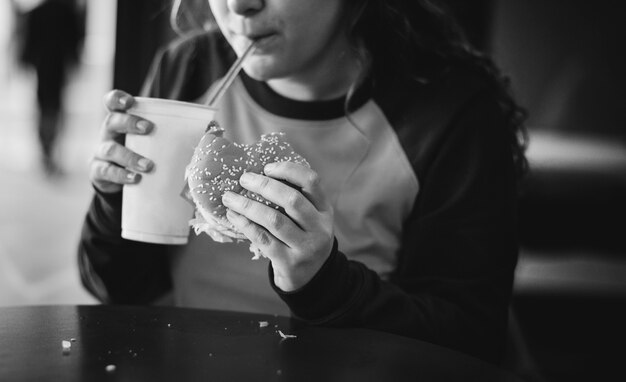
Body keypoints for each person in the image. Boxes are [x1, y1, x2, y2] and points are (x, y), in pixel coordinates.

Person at [78, 0, 527, 365]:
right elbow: (115, 288)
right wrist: (115, 197)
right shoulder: (185, 69)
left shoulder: (452, 114)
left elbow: (468, 339)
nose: (240, 5)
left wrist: (324, 283)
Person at [16, 0, 85, 176]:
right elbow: (75, 40)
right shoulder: (66, 11)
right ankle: (48, 149)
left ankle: (47, 149)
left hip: (44, 66)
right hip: (56, 66)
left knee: (45, 107)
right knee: (53, 108)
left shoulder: (39, 12)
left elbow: (28, 41)